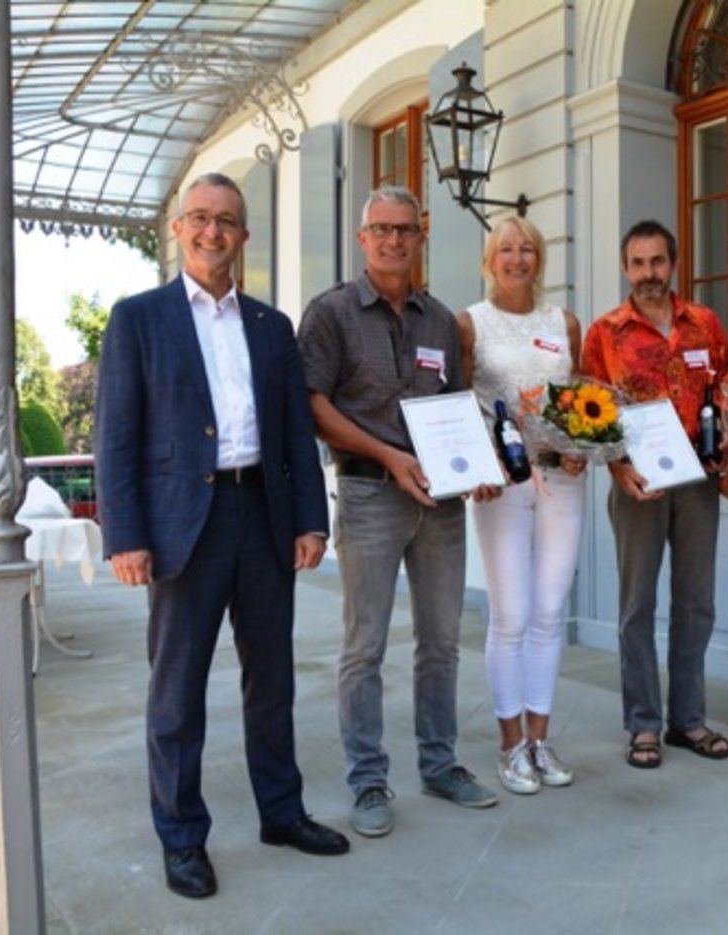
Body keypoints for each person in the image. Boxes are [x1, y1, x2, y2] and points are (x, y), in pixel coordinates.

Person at [96, 172, 349, 900]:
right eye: (201, 218)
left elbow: (296, 434)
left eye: (227, 221)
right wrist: (125, 535)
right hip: (184, 527)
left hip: (263, 517)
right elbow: (116, 437)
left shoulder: (271, 326)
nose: (214, 232)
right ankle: (182, 837)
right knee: (177, 691)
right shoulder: (138, 319)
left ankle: (281, 812)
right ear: (179, 229)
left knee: (272, 680)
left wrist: (311, 519)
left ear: (244, 235)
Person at [297, 185, 499, 839]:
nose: (393, 239)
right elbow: (313, 406)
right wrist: (388, 455)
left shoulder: (439, 320)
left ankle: (439, 765)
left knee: (441, 642)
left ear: (421, 236)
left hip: (440, 501)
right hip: (369, 494)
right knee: (365, 647)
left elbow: (457, 406)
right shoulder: (330, 313)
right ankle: (368, 780)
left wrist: (476, 467)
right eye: (381, 229)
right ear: (363, 238)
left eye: (404, 229)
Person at [580, 219, 728, 769]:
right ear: (626, 268)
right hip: (637, 482)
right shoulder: (604, 333)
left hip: (696, 479)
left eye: (657, 261)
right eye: (638, 263)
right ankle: (643, 723)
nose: (649, 273)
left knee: (696, 602)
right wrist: (617, 468)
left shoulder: (705, 324)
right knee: (636, 605)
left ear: (673, 263)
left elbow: (724, 389)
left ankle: (688, 719)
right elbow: (590, 414)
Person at [457, 217, 586, 795]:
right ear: (490, 260)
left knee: (550, 612)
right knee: (511, 615)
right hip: (503, 483)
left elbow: (577, 400)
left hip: (561, 479)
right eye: (505, 249)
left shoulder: (565, 323)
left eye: (527, 249)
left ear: (540, 258)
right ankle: (510, 745)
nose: (517, 258)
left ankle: (540, 738)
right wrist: (474, 465)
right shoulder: (470, 323)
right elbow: (459, 403)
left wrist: (582, 445)